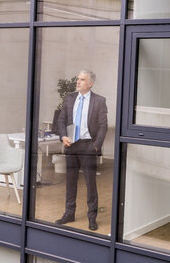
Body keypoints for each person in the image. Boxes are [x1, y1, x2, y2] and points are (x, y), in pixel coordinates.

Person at [55, 69, 108, 231]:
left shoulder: (99, 101)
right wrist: (63, 136)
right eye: (78, 79)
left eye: (82, 80)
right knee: (70, 182)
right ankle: (69, 214)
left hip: (88, 146)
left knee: (90, 183)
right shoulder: (70, 98)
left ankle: (92, 217)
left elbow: (102, 126)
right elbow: (61, 120)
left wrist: (96, 145)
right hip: (71, 145)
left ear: (90, 83)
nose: (78, 82)